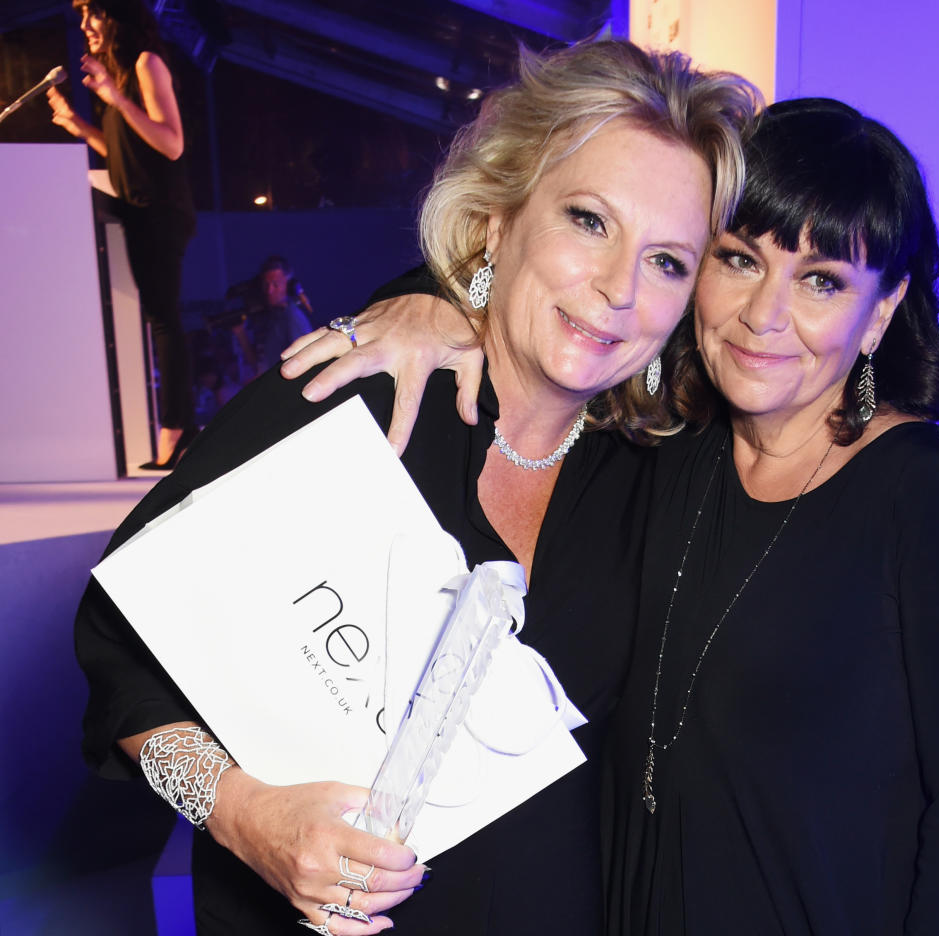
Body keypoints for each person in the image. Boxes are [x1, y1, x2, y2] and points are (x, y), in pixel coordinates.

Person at [282, 97, 939, 933]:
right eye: (740, 260)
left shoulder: (932, 505)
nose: (766, 316)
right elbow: (537, 291)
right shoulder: (665, 449)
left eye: (822, 281)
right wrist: (438, 305)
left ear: (882, 313)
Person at [74, 39, 757, 936]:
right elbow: (120, 642)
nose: (619, 288)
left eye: (669, 261)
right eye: (589, 220)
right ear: (499, 220)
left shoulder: (653, 469)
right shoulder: (358, 395)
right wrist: (240, 815)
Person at [48, 0, 197, 469]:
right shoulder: (119, 78)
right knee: (160, 317)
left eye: (93, 13)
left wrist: (116, 97)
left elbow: (171, 143)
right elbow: (122, 152)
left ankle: (177, 427)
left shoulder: (145, 63)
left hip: (160, 211)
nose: (85, 25)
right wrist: (81, 126)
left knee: (164, 319)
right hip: (138, 208)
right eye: (81, 16)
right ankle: (178, 427)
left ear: (117, 16)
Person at [227, 255, 314, 382]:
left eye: (275, 284)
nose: (269, 290)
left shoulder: (292, 317)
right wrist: (240, 333)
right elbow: (260, 364)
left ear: (287, 285)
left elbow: (306, 362)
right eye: (266, 285)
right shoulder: (271, 318)